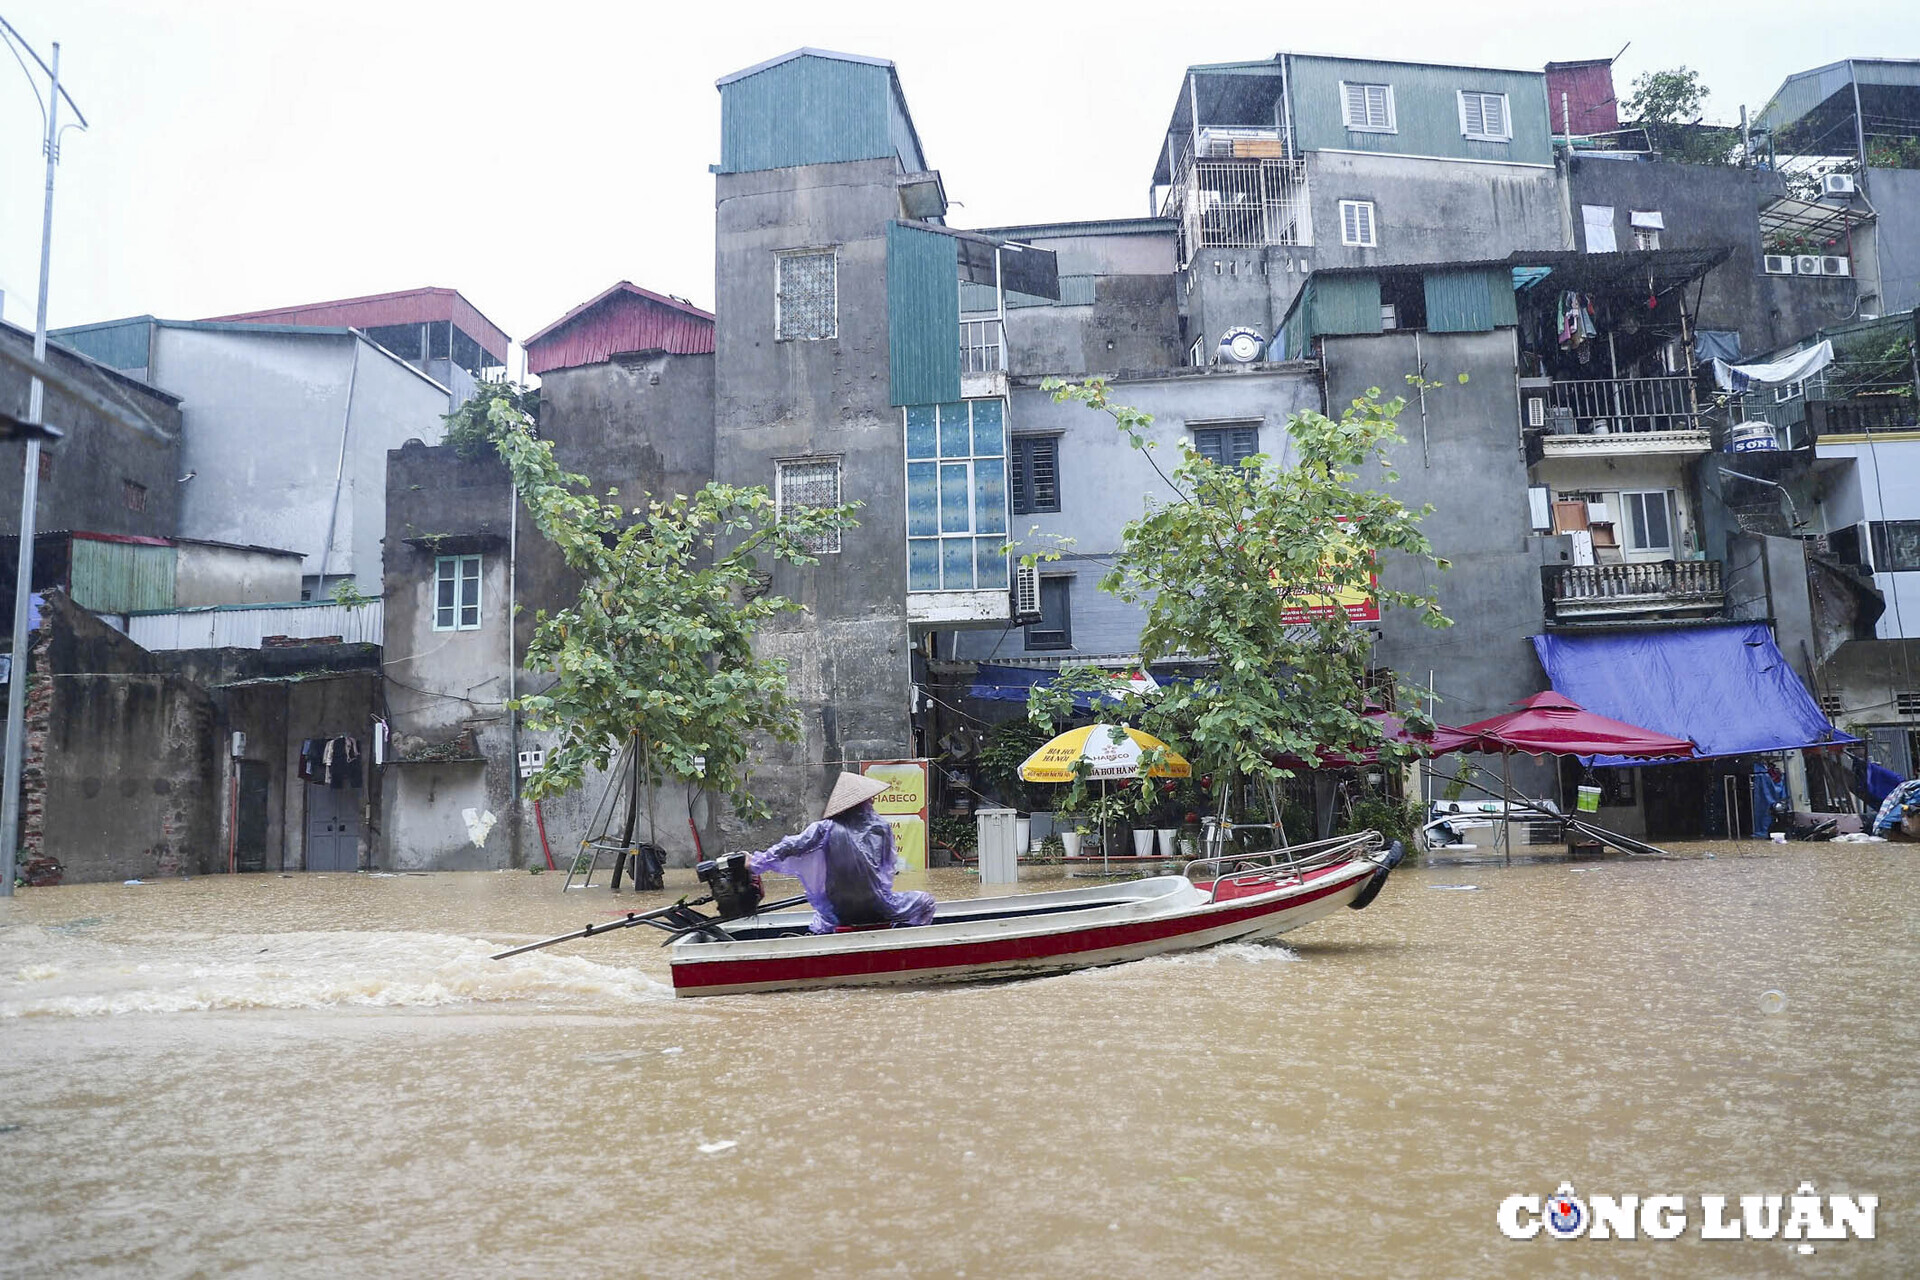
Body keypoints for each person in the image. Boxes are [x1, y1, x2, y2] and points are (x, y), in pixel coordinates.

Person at [746, 773, 936, 934]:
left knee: (821, 918)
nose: (873, 801)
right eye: (870, 798)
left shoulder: (824, 828)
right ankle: (904, 939)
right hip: (880, 905)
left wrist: (756, 863)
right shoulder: (882, 828)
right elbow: (886, 874)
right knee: (927, 902)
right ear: (862, 802)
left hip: (839, 910)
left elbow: (789, 846)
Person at [1751, 760, 1789, 838]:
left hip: (1767, 801)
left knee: (1765, 812)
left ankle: (1764, 830)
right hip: (1774, 800)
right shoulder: (1769, 774)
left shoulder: (1762, 773)